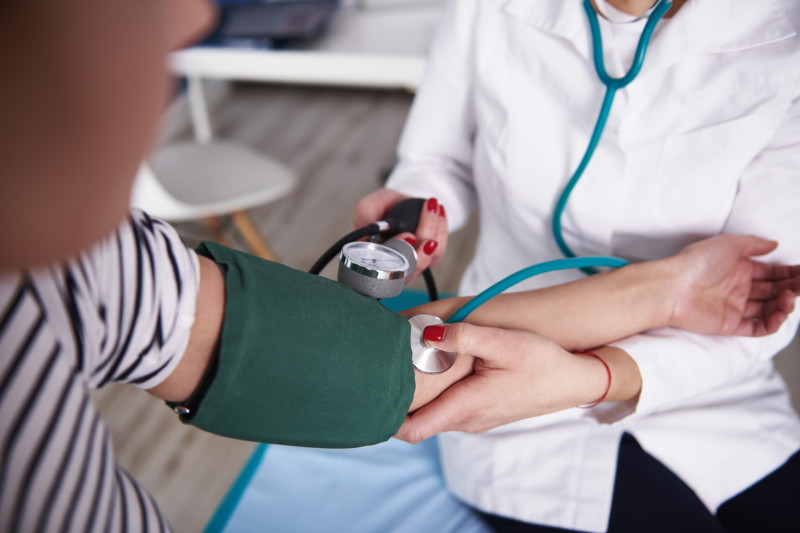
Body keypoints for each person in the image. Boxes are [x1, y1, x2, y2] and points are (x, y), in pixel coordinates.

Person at [1, 1, 797, 532]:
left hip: (701, 385)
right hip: (515, 405)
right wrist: (666, 287)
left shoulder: (101, 268)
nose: (195, 18)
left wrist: (615, 354)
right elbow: (378, 357)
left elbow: (761, 305)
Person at [354, 0, 800, 531]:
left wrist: (593, 376)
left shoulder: (785, 32)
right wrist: (416, 212)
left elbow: (768, 295)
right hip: (501, 378)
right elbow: (434, 160)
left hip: (702, 374)